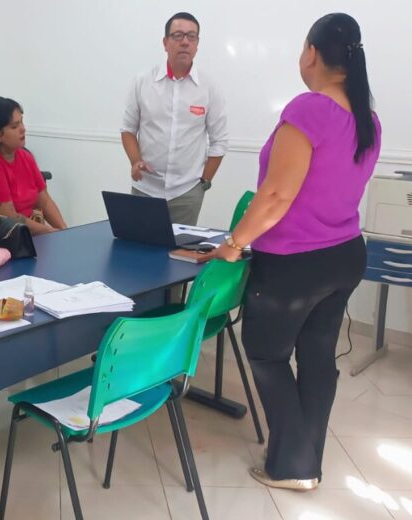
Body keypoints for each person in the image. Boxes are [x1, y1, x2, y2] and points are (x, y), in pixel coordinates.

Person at [209, 13, 381, 490]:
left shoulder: (309, 109)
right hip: (345, 255)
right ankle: (309, 455)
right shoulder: (368, 120)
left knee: (264, 353)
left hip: (293, 265)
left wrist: (233, 244)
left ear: (311, 52)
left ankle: (293, 465)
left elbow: (275, 197)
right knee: (318, 354)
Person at [121, 11, 228, 225]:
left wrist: (203, 182)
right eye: (178, 35)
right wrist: (135, 161)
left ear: (197, 44)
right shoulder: (142, 81)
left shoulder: (209, 87)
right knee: (139, 251)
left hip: (186, 193)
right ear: (165, 42)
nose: (185, 42)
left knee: (180, 255)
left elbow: (220, 141)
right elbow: (128, 129)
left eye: (192, 37)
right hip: (146, 189)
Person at [0, 96, 67, 240]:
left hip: (29, 238)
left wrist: (65, 232)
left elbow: (44, 200)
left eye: (22, 122)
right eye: (15, 126)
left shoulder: (25, 156)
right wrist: (50, 232)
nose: (23, 129)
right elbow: (10, 219)